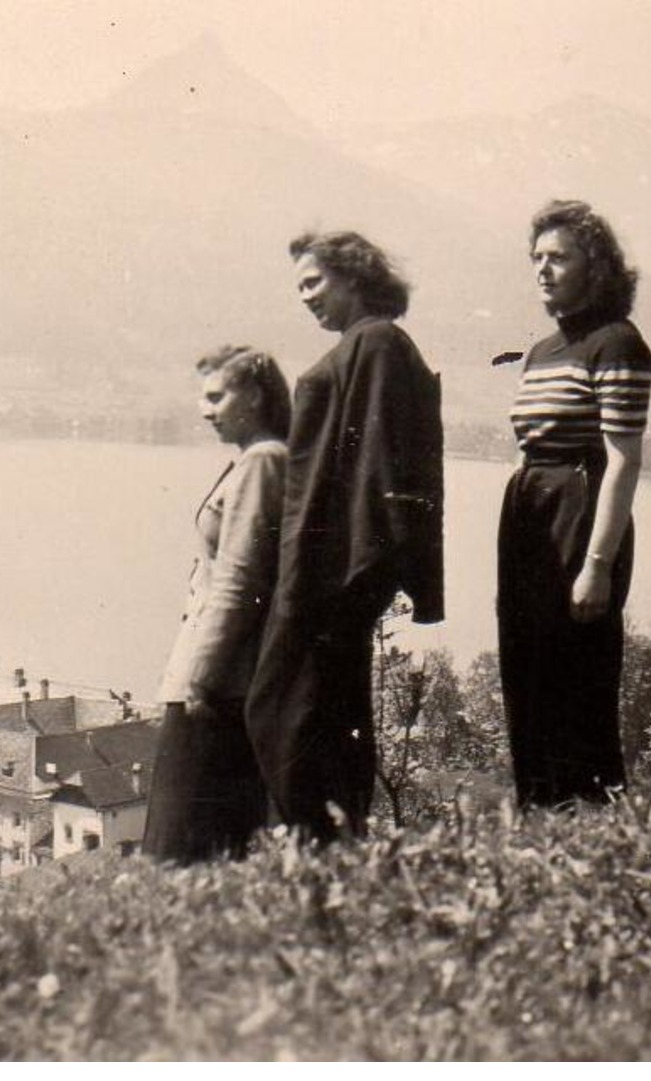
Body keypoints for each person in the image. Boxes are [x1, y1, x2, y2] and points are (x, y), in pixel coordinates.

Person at [245, 231, 444, 844]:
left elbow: (382, 467)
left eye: (314, 282)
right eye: (299, 287)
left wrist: (359, 570)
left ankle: (322, 844)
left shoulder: (377, 343)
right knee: (320, 710)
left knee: (285, 708)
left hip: (330, 573)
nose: (305, 297)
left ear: (354, 275)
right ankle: (332, 843)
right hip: (326, 569)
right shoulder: (365, 346)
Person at [498, 199, 651, 810]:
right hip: (530, 516)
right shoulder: (541, 352)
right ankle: (539, 815)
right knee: (527, 673)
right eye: (536, 257)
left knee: (575, 677)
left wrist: (598, 564)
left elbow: (623, 459)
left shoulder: (616, 344)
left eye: (558, 257)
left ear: (597, 265)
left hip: (579, 517)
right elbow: (528, 449)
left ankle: (593, 822)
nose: (543, 268)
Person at [144, 345, 292, 864]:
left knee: (183, 840)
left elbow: (240, 580)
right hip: (228, 676)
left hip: (220, 681)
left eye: (216, 396)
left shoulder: (262, 461)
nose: (205, 410)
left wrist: (200, 676)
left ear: (254, 394)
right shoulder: (256, 459)